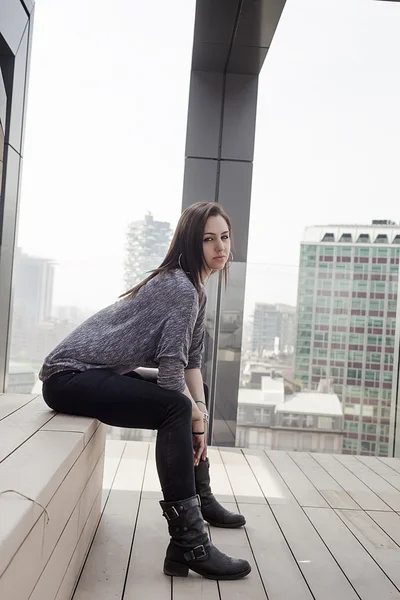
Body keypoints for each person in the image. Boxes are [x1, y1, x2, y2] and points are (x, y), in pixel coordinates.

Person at [39, 201, 251, 581]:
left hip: (93, 373)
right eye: (208, 239)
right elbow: (171, 376)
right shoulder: (180, 290)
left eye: (224, 237)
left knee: (191, 398)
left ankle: (198, 503)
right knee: (176, 408)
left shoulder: (194, 290)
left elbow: (190, 362)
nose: (221, 247)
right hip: (68, 377)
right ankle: (190, 542)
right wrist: (197, 423)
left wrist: (199, 405)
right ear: (191, 242)